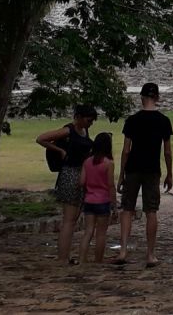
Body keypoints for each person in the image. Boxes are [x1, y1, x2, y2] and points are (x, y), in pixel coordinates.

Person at [113, 82, 173, 267]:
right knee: (151, 211)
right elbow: (167, 152)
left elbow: (126, 150)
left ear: (141, 98)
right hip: (152, 169)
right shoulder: (163, 121)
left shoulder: (132, 120)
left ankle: (123, 250)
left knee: (127, 209)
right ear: (157, 98)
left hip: (133, 168)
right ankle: (150, 254)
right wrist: (170, 173)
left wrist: (121, 174)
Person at [36, 105, 97, 263]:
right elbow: (41, 138)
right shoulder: (68, 130)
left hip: (80, 174)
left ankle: (66, 254)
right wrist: (60, 151)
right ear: (79, 117)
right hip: (70, 174)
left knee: (73, 219)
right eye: (88, 120)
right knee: (69, 220)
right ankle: (63, 257)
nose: (90, 123)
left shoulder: (84, 131)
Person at [79, 132, 115, 263]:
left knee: (88, 231)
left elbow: (82, 181)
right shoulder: (108, 163)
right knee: (101, 233)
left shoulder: (87, 161)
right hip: (103, 200)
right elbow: (111, 185)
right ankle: (98, 260)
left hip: (89, 200)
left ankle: (82, 258)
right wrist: (114, 203)